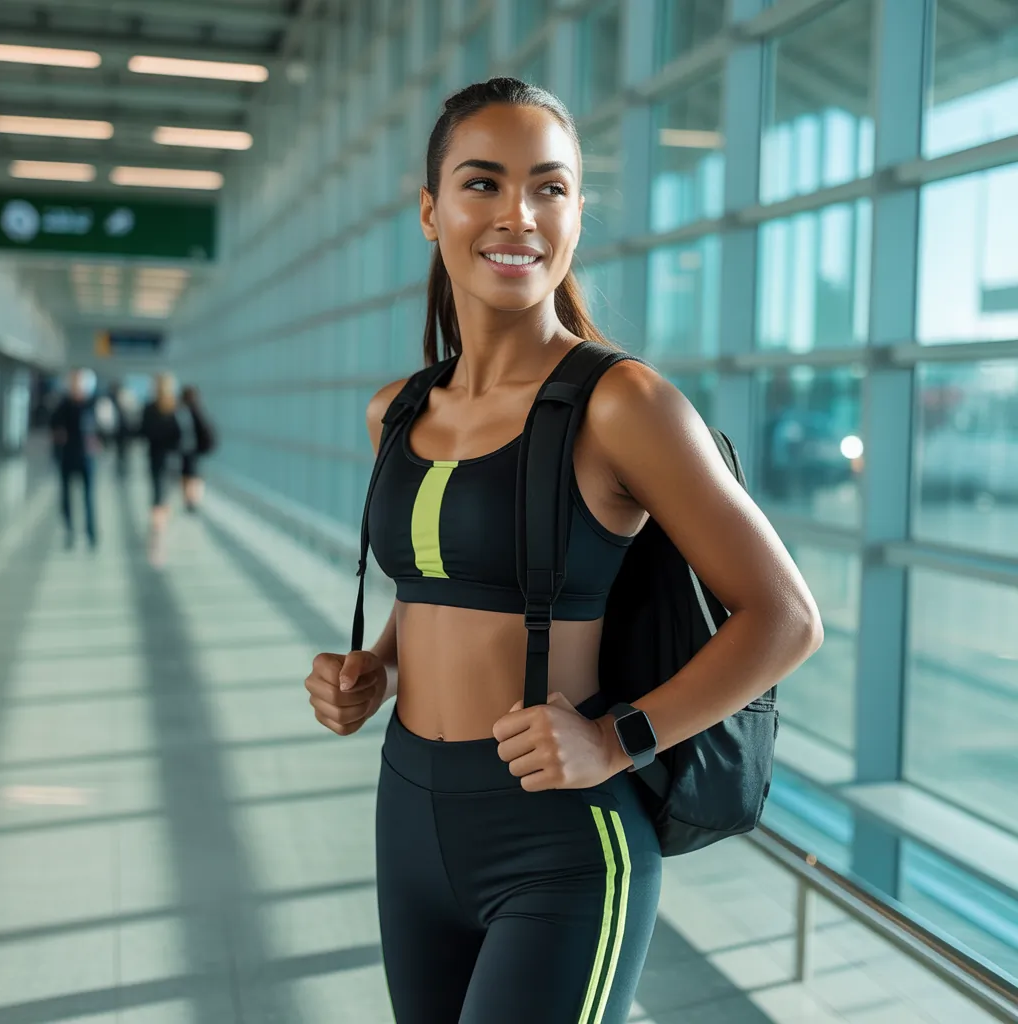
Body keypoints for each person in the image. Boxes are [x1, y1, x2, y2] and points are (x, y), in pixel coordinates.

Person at [303, 78, 824, 1024]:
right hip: (409, 810)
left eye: (549, 187)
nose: (519, 215)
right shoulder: (398, 409)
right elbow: (442, 578)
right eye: (483, 184)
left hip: (560, 839)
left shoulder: (624, 406)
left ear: (579, 211)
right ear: (431, 211)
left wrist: (619, 739)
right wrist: (374, 665)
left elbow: (786, 619)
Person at [49, 368, 99, 549]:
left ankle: (91, 532)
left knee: (88, 497)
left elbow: (102, 428)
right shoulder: (63, 405)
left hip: (86, 457)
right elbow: (53, 427)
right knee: (66, 497)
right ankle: (69, 530)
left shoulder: (92, 404)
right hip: (68, 456)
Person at [141, 372, 181, 565]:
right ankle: (161, 529)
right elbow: (181, 436)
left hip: (156, 457)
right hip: (171, 459)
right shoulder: (175, 408)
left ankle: (158, 530)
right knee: (164, 496)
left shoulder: (149, 409)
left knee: (157, 494)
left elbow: (143, 431)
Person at [177, 385, 215, 512]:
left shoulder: (180, 412)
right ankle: (192, 499)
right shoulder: (198, 411)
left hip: (184, 449)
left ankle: (188, 498)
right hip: (196, 449)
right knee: (195, 475)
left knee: (186, 474)